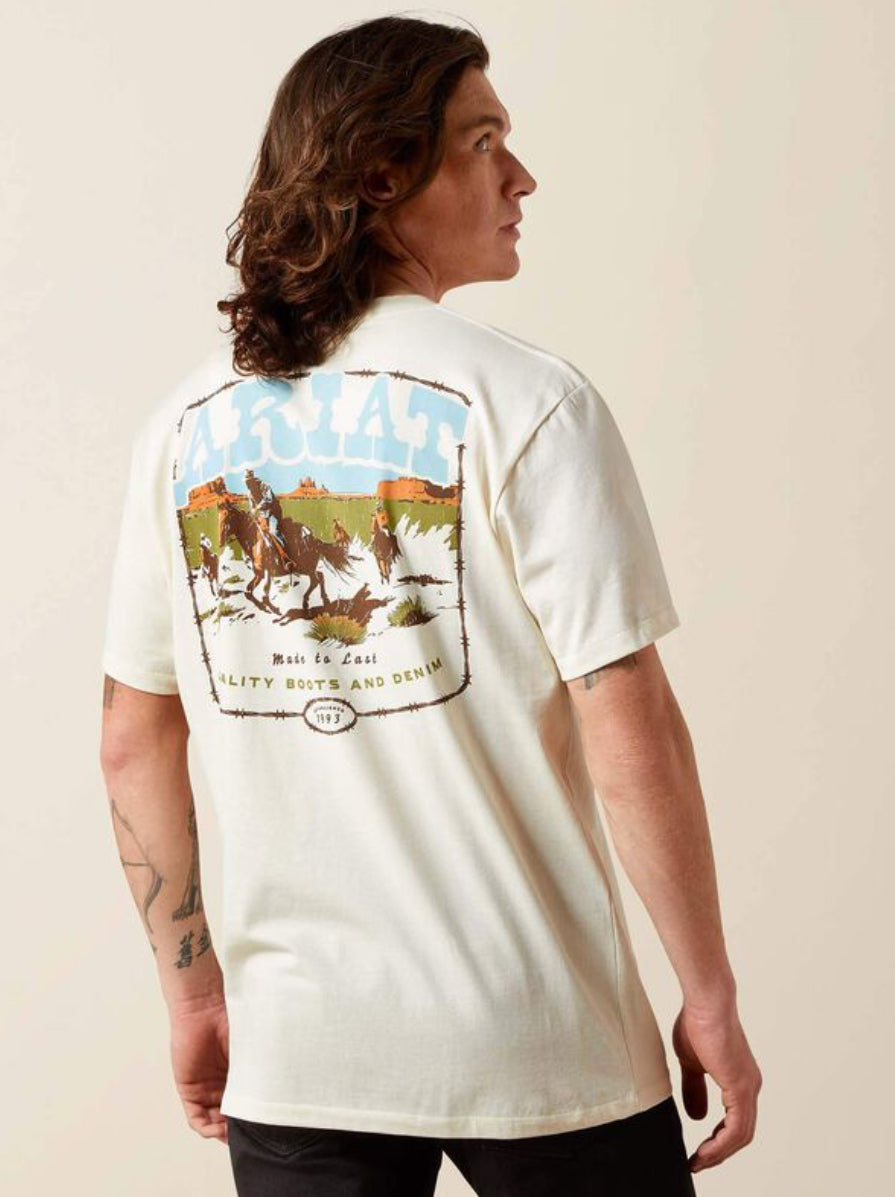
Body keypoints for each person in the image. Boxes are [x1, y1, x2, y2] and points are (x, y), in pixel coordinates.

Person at [99, 15, 761, 1197]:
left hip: (300, 1055)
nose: (521, 177)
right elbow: (629, 721)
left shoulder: (182, 431)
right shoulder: (527, 402)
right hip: (540, 1042)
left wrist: (193, 995)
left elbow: (130, 736)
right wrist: (706, 991)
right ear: (380, 176)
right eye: (483, 142)